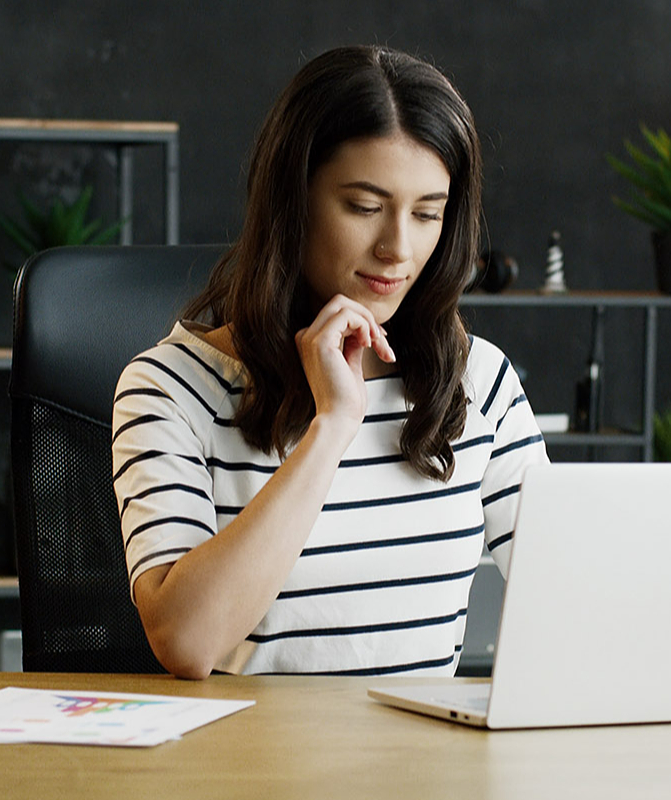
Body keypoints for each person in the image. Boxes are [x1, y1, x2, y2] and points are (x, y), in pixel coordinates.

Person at [112, 45, 549, 679]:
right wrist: (332, 428)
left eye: (428, 214)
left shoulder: (476, 381)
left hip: (424, 774)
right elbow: (186, 641)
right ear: (295, 202)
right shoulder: (169, 388)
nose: (398, 247)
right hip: (252, 774)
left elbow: (578, 596)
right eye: (365, 207)